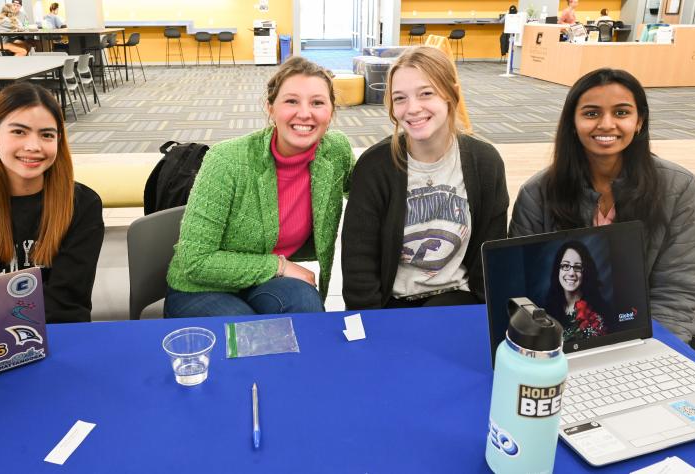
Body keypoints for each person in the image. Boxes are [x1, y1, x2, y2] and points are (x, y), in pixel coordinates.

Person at [509, 68, 695, 370]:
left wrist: (643, 358)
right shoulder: (537, 193)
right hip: (567, 339)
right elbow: (524, 289)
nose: (606, 124)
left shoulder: (679, 187)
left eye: (621, 112)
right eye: (591, 113)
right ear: (572, 124)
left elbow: (679, 290)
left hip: (660, 329)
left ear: (639, 121)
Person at [165, 56, 354, 317]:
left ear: (331, 111)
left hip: (265, 283)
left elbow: (368, 192)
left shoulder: (335, 151)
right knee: (244, 330)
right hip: (202, 286)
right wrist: (280, 266)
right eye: (291, 101)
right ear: (270, 107)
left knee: (305, 306)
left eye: (317, 103)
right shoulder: (227, 160)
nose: (304, 113)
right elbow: (195, 261)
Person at [342, 46, 509, 310]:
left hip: (457, 296)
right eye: (400, 98)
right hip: (392, 303)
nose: (412, 109)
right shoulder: (375, 167)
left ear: (451, 94)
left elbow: (491, 254)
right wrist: (368, 325)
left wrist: (488, 313)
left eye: (426, 93)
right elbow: (358, 261)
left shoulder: (484, 163)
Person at [0, 82, 104, 323]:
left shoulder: (83, 204)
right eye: (19, 131)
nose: (33, 146)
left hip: (60, 332)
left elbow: (67, 301)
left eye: (47, 135)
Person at [544, 241, 609, 342]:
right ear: (558, 270)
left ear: (585, 271)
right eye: (565, 266)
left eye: (577, 267)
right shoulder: (547, 312)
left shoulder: (601, 310)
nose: (571, 273)